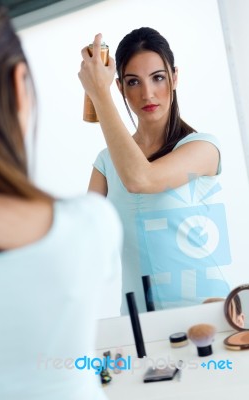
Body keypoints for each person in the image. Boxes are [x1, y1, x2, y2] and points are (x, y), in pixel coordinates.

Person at [0, 1, 122, 399]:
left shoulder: (202, 147)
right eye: (132, 81)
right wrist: (100, 92)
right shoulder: (86, 227)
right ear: (17, 85)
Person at [78, 27, 230, 315]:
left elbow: (141, 179)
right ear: (120, 87)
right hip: (139, 323)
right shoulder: (106, 163)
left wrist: (101, 95)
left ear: (174, 78)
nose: (147, 93)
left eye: (158, 78)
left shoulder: (203, 148)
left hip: (207, 311)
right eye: (133, 82)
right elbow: (87, 242)